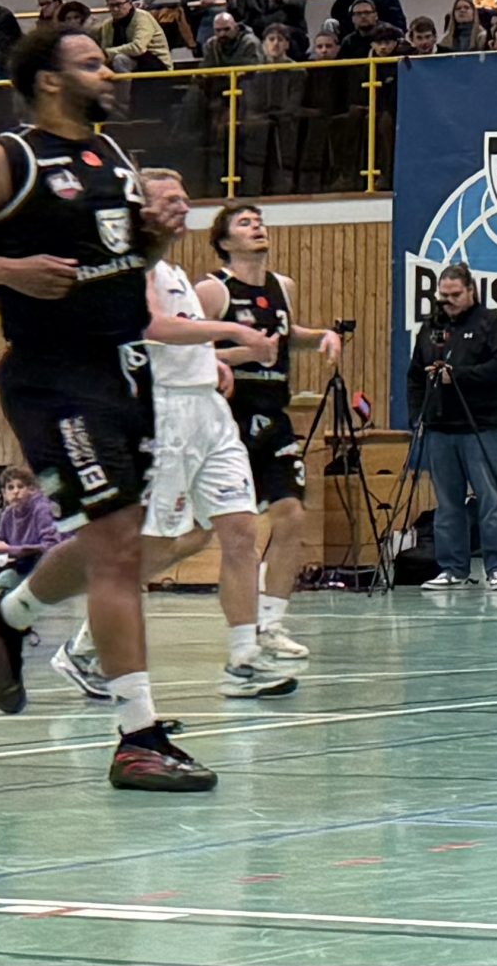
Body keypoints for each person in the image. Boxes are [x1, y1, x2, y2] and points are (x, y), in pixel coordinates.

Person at [0, 26, 247, 791]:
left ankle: (5, 615)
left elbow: (122, 265)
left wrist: (153, 241)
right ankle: (137, 736)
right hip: (53, 376)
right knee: (120, 549)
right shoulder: (4, 160)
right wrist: (7, 268)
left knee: (114, 538)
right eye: (92, 63)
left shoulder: (114, 158)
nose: (109, 72)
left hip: (125, 371)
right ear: (50, 80)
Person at [56, 169, 296, 702]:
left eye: (186, 199)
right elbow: (152, 327)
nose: (183, 207)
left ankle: (243, 660)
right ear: (139, 207)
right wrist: (232, 330)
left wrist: (215, 361)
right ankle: (86, 643)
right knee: (163, 543)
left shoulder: (176, 271)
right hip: (165, 415)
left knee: (239, 529)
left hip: (209, 411)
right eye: (170, 199)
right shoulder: (130, 264)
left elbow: (180, 339)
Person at [201, 201, 341, 662]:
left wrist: (320, 336)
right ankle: (97, 627)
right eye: (244, 223)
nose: (257, 226)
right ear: (224, 240)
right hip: (225, 419)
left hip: (273, 415)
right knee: (193, 536)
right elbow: (186, 352)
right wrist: (245, 353)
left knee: (292, 516)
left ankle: (271, 624)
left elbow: (283, 334)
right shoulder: (213, 290)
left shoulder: (283, 286)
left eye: (259, 221)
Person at [407, 263, 497, 591]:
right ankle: (453, 568)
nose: (449, 302)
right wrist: (418, 415)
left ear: (471, 291)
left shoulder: (492, 323)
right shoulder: (430, 327)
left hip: (482, 426)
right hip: (441, 427)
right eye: (443, 296)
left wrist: (459, 376)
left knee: (490, 499)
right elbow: (415, 375)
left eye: (455, 295)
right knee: (448, 503)